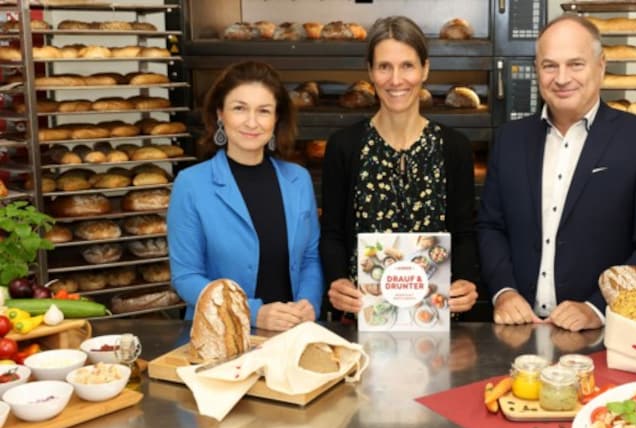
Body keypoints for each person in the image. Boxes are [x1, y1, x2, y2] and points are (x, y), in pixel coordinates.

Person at [476, 15, 636, 331]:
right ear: (537, 70)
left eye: (575, 64)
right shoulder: (509, 139)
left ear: (601, 66)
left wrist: (597, 307)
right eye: (549, 65)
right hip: (520, 328)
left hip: (604, 332)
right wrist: (504, 291)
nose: (561, 78)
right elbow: (491, 226)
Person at [320, 16, 487, 321]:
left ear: (425, 69)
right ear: (370, 71)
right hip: (365, 318)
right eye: (384, 67)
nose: (396, 80)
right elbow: (331, 233)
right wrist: (336, 281)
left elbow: (463, 233)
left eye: (407, 66)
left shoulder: (454, 147)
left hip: (434, 317)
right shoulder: (344, 146)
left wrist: (465, 281)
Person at [168, 61, 323, 331]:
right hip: (218, 337)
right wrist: (252, 313)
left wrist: (309, 303)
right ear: (220, 114)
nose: (252, 122)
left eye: (263, 111)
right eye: (239, 108)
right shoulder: (191, 184)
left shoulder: (298, 180)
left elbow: (310, 258)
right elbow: (187, 277)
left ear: (276, 119)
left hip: (291, 336)